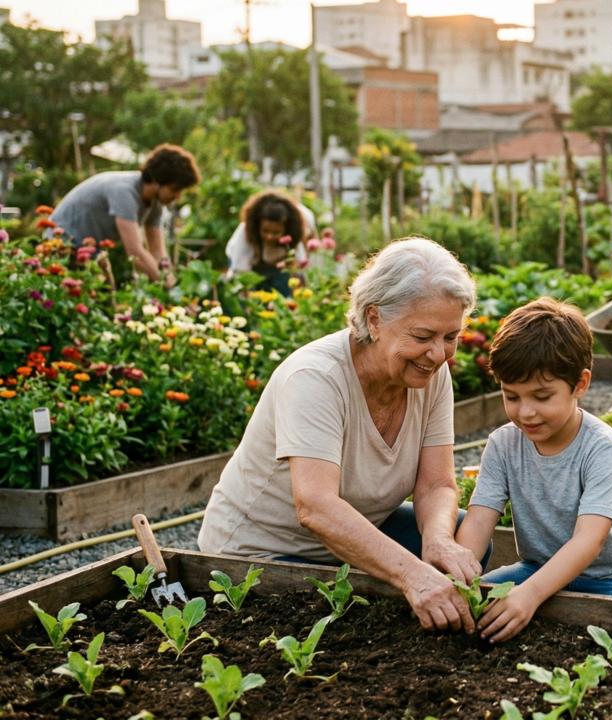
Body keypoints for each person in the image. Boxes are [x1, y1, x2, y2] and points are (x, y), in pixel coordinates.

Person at [198, 237, 487, 634]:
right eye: (422, 337)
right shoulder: (316, 379)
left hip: (353, 538)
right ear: (374, 320)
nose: (438, 354)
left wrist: (436, 541)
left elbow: (436, 483)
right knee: (355, 620)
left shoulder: (428, 376)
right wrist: (412, 575)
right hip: (265, 553)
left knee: (466, 543)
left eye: (450, 337)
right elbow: (315, 507)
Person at [455, 298, 612, 643]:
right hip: (538, 569)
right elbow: (478, 521)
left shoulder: (602, 449)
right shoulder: (503, 444)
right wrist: (458, 582)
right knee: (483, 608)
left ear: (580, 385)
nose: (525, 413)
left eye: (541, 396)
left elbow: (588, 542)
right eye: (512, 396)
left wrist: (530, 595)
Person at [50, 143, 200, 285]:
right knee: (87, 303)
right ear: (156, 180)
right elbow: (135, 254)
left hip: (91, 252)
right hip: (62, 245)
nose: (179, 196)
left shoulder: (155, 203)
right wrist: (170, 289)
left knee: (106, 303)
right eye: (175, 189)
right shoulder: (124, 191)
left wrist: (176, 288)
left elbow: (158, 252)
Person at [223, 189, 314, 297]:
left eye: (276, 232)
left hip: (278, 272)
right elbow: (241, 274)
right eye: (265, 231)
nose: (269, 236)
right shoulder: (246, 234)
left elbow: (298, 272)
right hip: (247, 270)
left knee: (284, 296)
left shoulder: (292, 239)